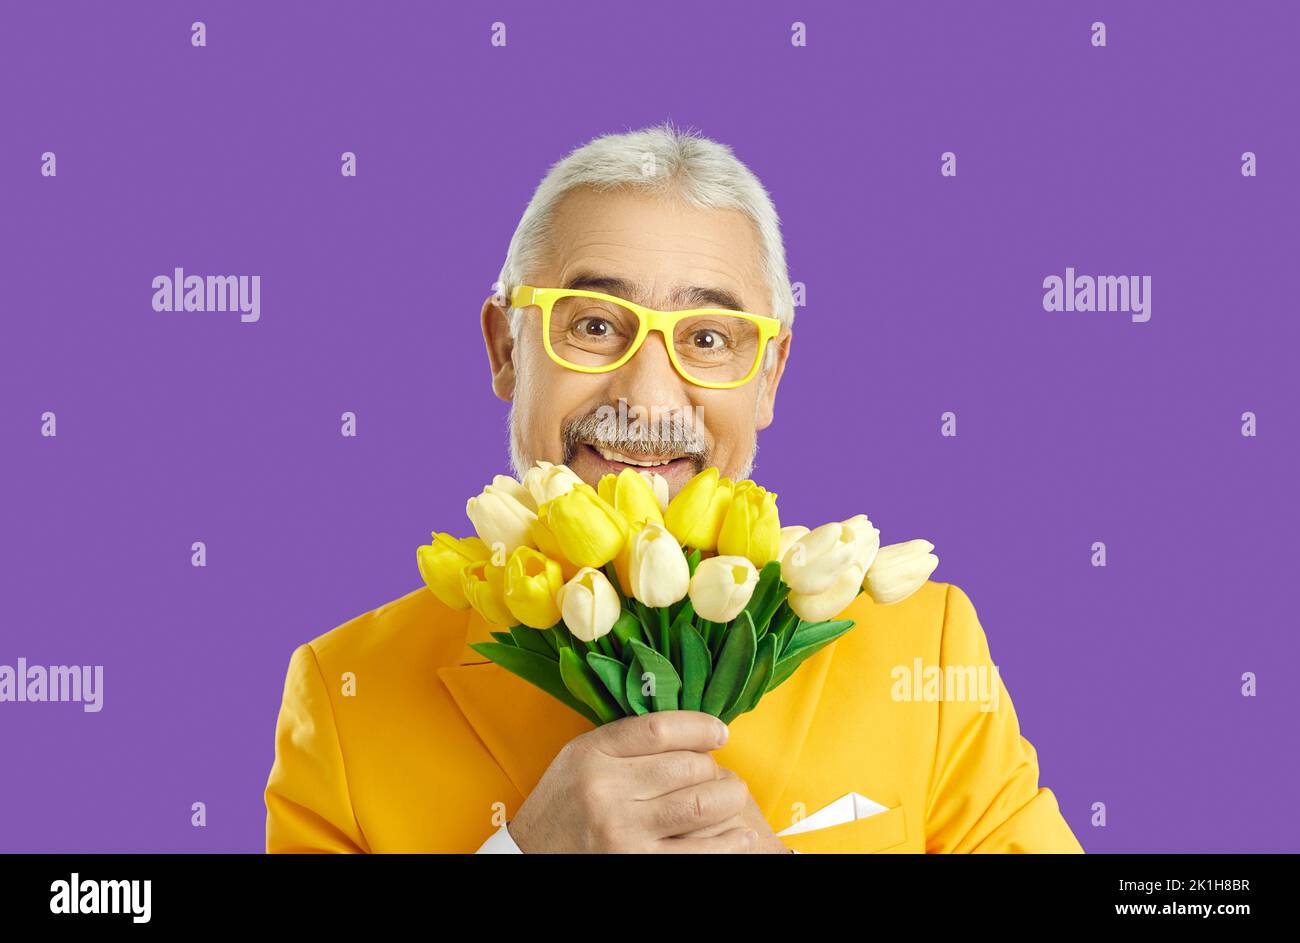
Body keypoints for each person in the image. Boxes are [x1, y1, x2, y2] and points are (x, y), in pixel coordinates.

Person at [264, 122, 1084, 853]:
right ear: (505, 350)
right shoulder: (346, 696)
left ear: (769, 376)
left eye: (708, 336)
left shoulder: (925, 652)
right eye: (592, 324)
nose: (649, 400)